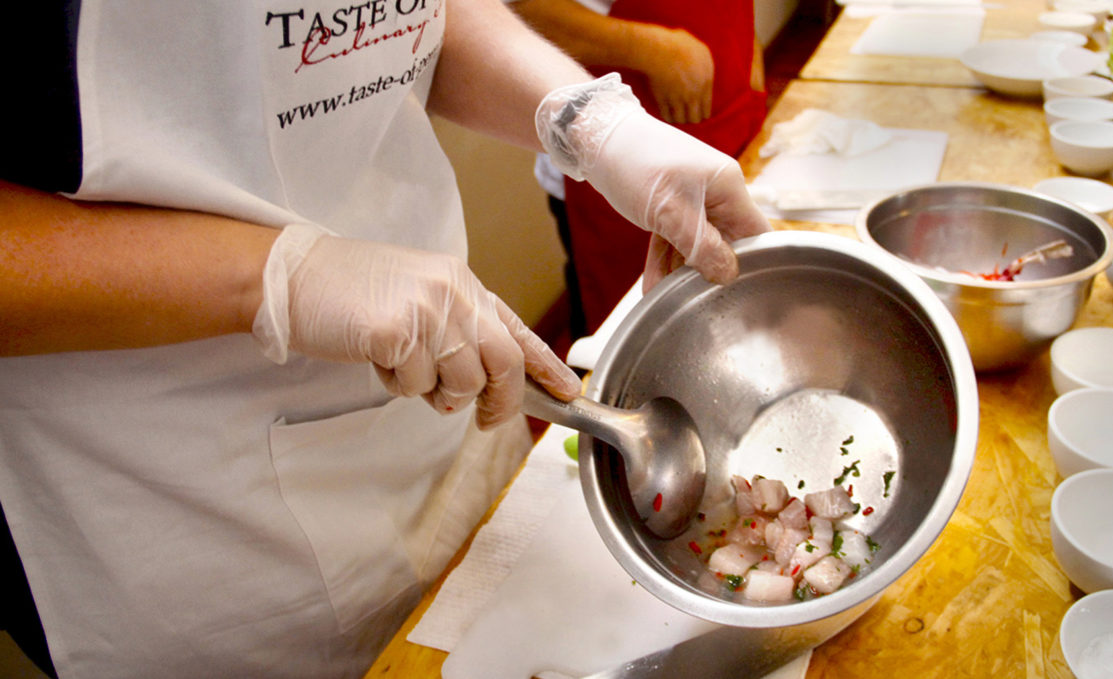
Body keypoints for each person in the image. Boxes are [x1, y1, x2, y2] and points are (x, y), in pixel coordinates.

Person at [0, 1, 770, 677]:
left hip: (449, 406)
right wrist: (285, 277)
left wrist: (586, 120)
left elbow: (388, 23)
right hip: (187, 512)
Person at [509, 0, 768, 337]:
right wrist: (651, 49)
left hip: (728, 120)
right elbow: (521, 13)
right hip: (612, 175)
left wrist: (746, 41)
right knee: (642, 329)